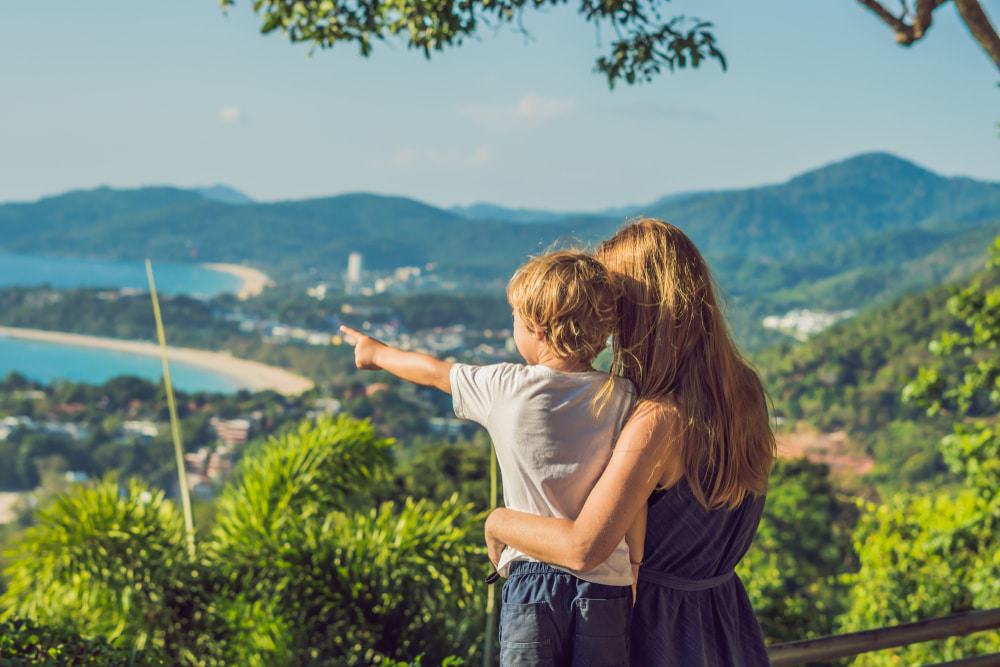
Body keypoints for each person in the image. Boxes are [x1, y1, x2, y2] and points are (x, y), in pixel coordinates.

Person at [485, 219, 776, 667]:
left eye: (608, 303)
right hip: (724, 624)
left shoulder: (657, 419)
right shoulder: (744, 392)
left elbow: (584, 547)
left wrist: (500, 522)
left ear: (636, 310)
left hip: (653, 631)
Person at [339, 250, 644, 666]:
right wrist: (635, 564)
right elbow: (635, 492)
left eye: (515, 317)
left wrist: (374, 352)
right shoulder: (623, 396)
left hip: (532, 576)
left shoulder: (504, 386)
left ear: (536, 325)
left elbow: (430, 371)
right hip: (606, 583)